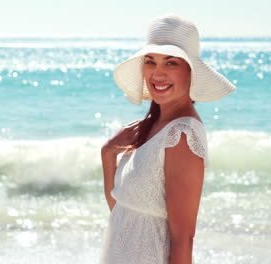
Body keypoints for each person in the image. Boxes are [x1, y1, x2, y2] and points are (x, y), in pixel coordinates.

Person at [99, 14, 236, 264]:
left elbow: (184, 238)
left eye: (171, 63)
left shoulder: (181, 135)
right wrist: (108, 154)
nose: (157, 74)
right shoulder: (153, 127)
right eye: (150, 62)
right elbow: (123, 213)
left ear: (191, 72)